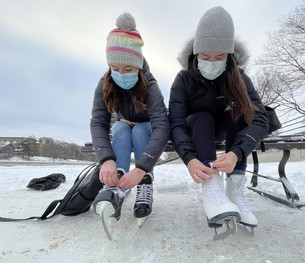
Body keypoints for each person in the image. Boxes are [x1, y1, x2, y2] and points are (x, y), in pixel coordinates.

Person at [168, 6, 269, 232]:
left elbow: (261, 120)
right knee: (203, 116)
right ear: (196, 54)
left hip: (225, 129)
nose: (212, 62)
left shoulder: (239, 77)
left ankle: (234, 189)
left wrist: (237, 153)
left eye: (219, 57)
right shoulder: (183, 79)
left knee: (241, 110)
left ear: (229, 56)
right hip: (196, 128)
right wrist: (189, 159)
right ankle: (211, 188)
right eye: (205, 56)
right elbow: (174, 122)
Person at [90, 12, 170, 222]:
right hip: (124, 124)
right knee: (120, 129)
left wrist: (142, 168)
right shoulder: (105, 84)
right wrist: (106, 159)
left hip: (147, 126)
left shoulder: (150, 85)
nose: (121, 73)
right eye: (115, 68)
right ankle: (114, 185)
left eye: (128, 68)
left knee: (141, 129)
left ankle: (144, 184)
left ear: (138, 65)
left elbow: (162, 126)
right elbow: (99, 121)